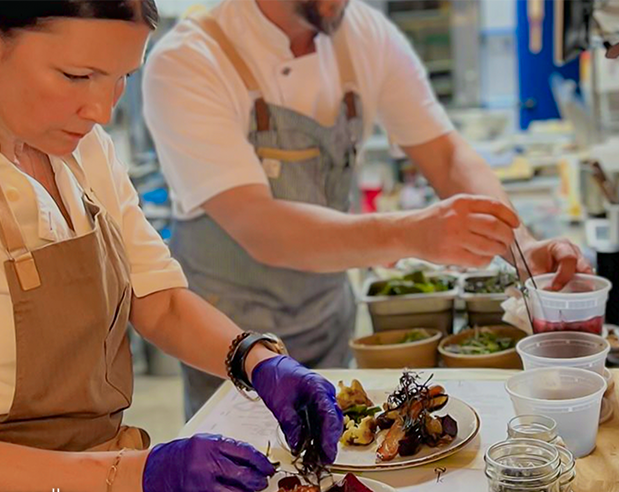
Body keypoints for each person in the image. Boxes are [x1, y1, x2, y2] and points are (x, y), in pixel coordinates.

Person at [0, 2, 342, 492]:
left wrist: (256, 361)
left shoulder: (83, 150)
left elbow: (157, 298)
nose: (101, 109)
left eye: (122, 77)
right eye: (77, 76)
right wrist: (131, 477)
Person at [143, 0, 594, 418]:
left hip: (326, 323)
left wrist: (520, 245)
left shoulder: (360, 32)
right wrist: (411, 233)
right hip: (228, 348)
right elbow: (261, 227)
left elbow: (444, 153)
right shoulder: (190, 59)